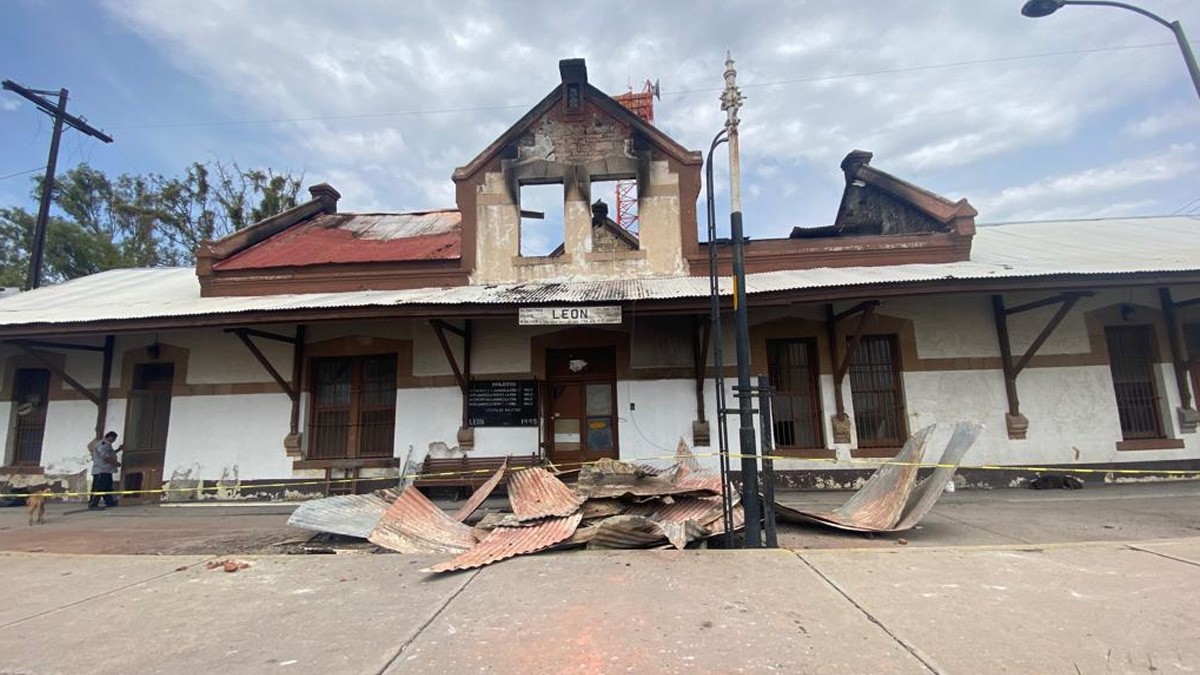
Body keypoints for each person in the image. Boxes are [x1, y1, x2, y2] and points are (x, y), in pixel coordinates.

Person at [88, 431, 122, 510]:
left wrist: (119, 450)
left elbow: (110, 454)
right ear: (109, 437)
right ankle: (93, 504)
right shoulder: (103, 444)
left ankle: (109, 502)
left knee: (107, 487)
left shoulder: (107, 445)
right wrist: (115, 463)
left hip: (107, 470)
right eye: (113, 438)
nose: (114, 440)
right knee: (99, 488)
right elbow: (105, 457)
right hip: (101, 470)